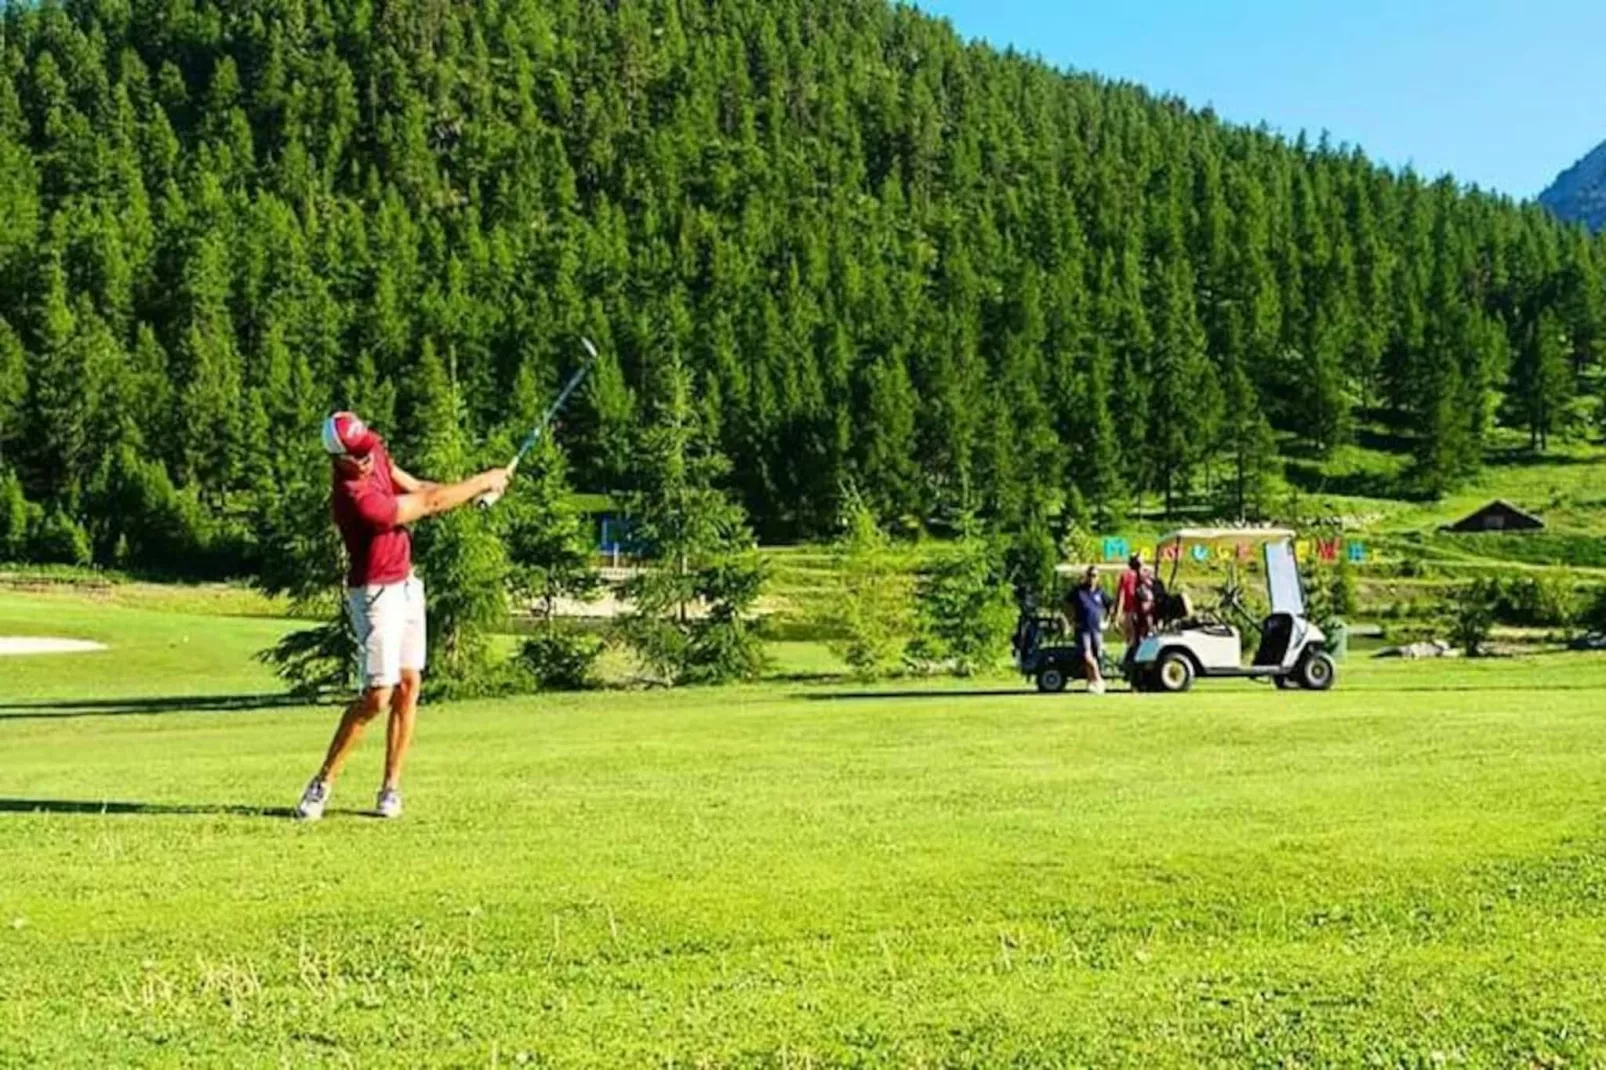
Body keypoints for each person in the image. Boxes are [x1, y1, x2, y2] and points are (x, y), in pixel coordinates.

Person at [294, 411, 510, 822]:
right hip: (375, 594)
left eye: (365, 448)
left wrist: (472, 494)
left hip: (407, 586)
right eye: (356, 456)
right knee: (378, 695)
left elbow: (422, 490)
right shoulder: (354, 498)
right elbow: (425, 504)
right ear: (338, 459)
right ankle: (322, 783)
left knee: (410, 685)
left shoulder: (373, 451)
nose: (366, 458)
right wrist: (483, 480)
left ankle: (390, 788)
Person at [1068, 565, 1112, 694]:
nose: (1092, 578)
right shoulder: (1078, 591)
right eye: (1090, 575)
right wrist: (1070, 620)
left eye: (1095, 576)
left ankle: (1091, 682)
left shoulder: (1100, 592)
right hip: (1083, 628)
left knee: (1096, 654)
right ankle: (1098, 679)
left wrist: (1107, 621)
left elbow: (1110, 605)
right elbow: (1067, 604)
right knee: (1087, 655)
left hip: (1096, 629)